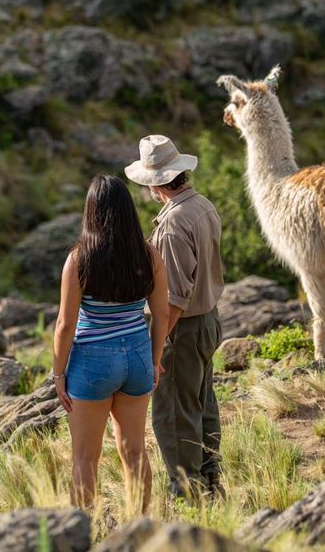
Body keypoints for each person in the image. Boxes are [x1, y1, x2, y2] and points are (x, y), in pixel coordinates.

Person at [51, 175, 169, 513]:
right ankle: (140, 522)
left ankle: (82, 530)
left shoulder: (79, 259)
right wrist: (155, 359)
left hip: (92, 361)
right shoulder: (149, 255)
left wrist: (58, 375)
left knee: (86, 457)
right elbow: (161, 313)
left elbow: (64, 325)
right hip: (137, 357)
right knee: (135, 450)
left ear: (92, 211)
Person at [125, 135, 226, 499]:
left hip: (182, 329)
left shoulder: (173, 224)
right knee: (201, 403)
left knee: (172, 414)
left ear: (155, 183)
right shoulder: (203, 206)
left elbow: (174, 298)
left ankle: (187, 494)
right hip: (209, 319)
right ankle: (211, 483)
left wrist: (155, 351)